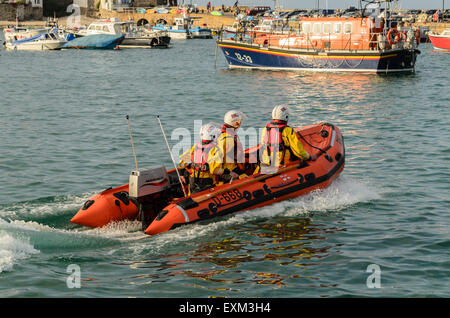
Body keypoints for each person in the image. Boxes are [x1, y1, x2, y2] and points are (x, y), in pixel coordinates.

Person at [260, 105, 317, 171]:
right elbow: (298, 151)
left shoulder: (265, 129)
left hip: (266, 163)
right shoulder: (288, 131)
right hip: (280, 165)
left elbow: (263, 145)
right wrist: (309, 157)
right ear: (286, 117)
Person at [178, 123, 223, 195]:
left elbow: (183, 161)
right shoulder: (215, 149)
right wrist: (227, 172)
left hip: (192, 179)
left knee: (191, 196)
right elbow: (215, 169)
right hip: (207, 181)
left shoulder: (196, 146)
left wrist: (181, 174)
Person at [214, 110, 246, 182]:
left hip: (222, 169)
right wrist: (242, 169)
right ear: (236, 123)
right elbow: (237, 158)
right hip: (230, 170)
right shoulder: (229, 139)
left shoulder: (220, 134)